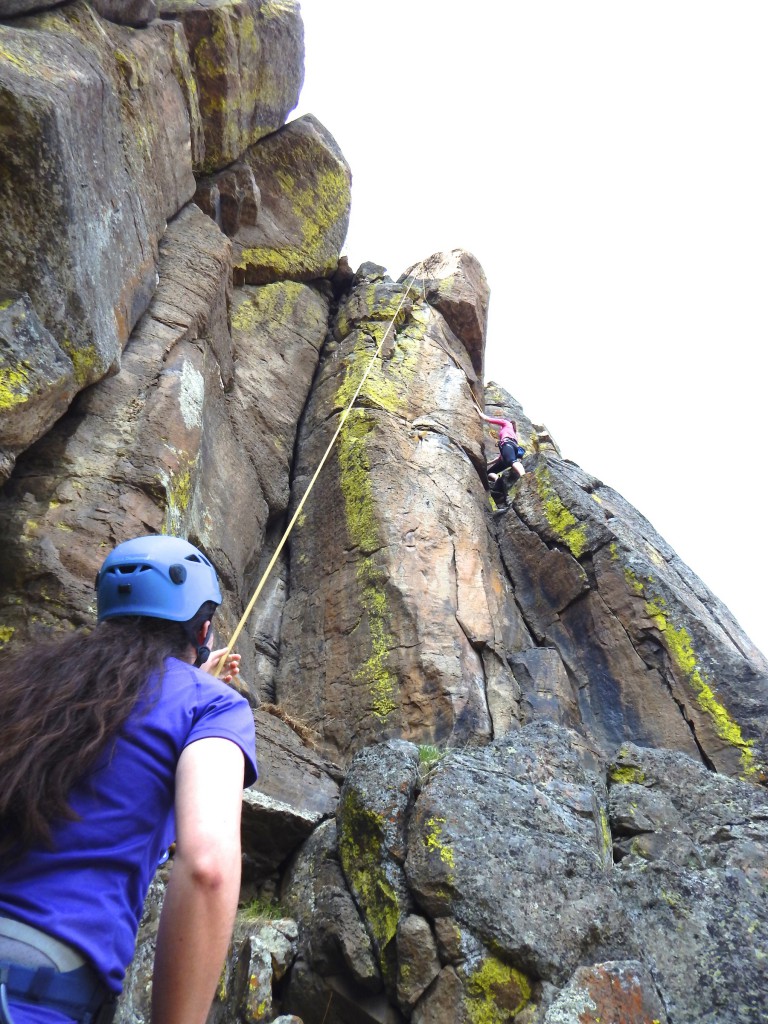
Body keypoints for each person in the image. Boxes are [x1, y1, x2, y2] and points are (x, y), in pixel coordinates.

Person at [0, 535, 257, 1024]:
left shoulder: (31, 687)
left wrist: (192, 677)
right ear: (203, 629)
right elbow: (207, 867)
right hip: (40, 1000)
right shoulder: (211, 706)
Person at [479, 411, 526, 502]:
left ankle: (524, 476)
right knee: (489, 473)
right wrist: (487, 463)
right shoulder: (513, 433)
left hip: (507, 444)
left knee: (512, 461)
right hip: (509, 449)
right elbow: (500, 458)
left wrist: (478, 410)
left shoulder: (506, 423)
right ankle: (498, 480)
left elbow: (487, 418)